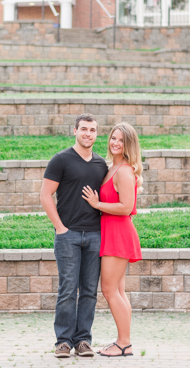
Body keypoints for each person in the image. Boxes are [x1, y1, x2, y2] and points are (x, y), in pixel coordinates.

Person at [40, 113, 109, 358]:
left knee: (89, 290)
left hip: (94, 235)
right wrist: (60, 227)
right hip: (67, 235)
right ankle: (63, 342)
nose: (88, 133)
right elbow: (45, 195)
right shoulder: (61, 160)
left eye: (92, 130)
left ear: (96, 133)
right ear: (75, 131)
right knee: (68, 289)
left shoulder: (101, 165)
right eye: (83, 129)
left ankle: (83, 341)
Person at [82, 122, 143, 357]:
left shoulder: (125, 171)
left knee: (109, 290)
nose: (115, 143)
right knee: (118, 290)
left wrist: (97, 204)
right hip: (111, 231)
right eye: (113, 138)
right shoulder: (112, 168)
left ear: (129, 145)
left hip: (118, 233)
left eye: (121, 140)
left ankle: (124, 343)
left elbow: (127, 207)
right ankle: (123, 341)